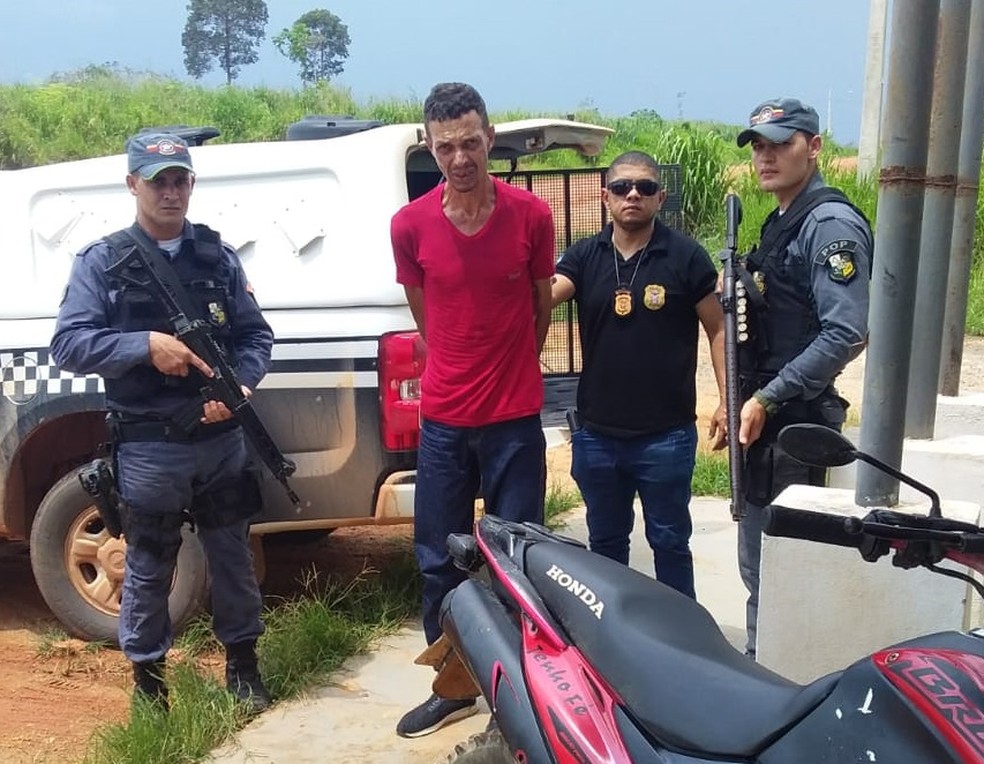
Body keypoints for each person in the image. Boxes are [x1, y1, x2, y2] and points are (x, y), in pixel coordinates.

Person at [51, 132, 274, 713]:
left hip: (221, 441)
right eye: (158, 182)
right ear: (133, 185)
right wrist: (144, 346)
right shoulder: (103, 261)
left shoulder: (217, 256)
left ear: (191, 185)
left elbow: (255, 335)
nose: (170, 192)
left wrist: (242, 386)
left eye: (180, 180)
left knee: (232, 556)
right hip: (151, 447)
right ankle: (150, 684)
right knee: (148, 566)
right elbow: (69, 344)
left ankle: (243, 669)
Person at [390, 82, 553, 738]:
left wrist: (511, 369)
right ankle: (454, 682)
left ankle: (515, 698)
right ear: (431, 148)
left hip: (514, 419)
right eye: (445, 146)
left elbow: (541, 307)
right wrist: (458, 372)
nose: (459, 157)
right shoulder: (410, 226)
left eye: (470, 142)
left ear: (490, 138)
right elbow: (427, 316)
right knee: (437, 557)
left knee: (516, 560)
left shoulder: (530, 217)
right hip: (445, 422)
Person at [551, 151, 726, 600]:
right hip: (597, 437)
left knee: (669, 543)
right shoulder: (584, 256)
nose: (633, 194)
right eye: (622, 187)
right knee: (605, 547)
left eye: (645, 188)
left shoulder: (686, 257)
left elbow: (718, 327)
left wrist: (728, 400)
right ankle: (611, 640)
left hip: (664, 437)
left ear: (660, 197)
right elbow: (544, 297)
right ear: (604, 196)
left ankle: (681, 643)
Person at [734, 98, 872, 657]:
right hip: (769, 422)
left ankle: (773, 681)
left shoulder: (828, 224)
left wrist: (769, 395)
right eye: (759, 146)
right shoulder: (783, 219)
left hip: (796, 424)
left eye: (781, 143)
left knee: (780, 569)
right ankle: (761, 665)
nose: (767, 157)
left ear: (813, 148)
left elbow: (846, 333)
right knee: (760, 567)